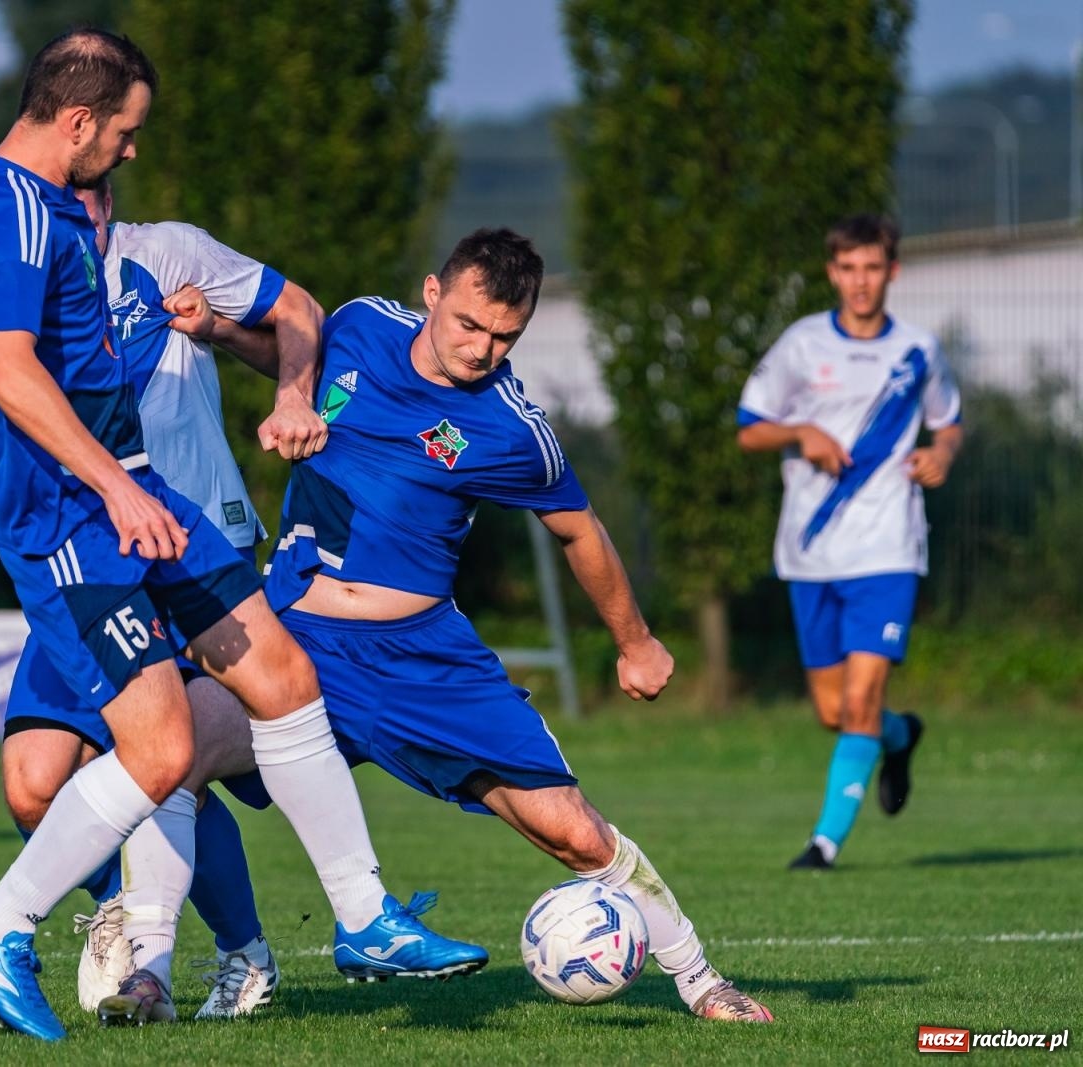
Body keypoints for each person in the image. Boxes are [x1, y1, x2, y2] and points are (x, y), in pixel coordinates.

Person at [0, 29, 482, 1042]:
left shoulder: (7, 199)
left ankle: (364, 919)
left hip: (141, 494)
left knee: (281, 674)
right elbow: (5, 371)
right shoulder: (7, 214)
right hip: (73, 520)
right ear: (77, 122)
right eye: (124, 133)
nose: (131, 151)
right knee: (163, 748)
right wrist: (104, 487)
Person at [120, 228, 776, 1023]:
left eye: (506, 335)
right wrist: (221, 331)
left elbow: (580, 530)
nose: (483, 348)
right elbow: (301, 368)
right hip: (296, 636)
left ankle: (702, 980)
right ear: (433, 293)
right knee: (170, 755)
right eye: (469, 324)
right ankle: (154, 972)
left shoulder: (510, 428)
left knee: (572, 832)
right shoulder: (362, 325)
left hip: (421, 662)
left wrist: (635, 641)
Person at [0, 180, 315, 1021]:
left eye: (94, 196)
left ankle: (229, 952)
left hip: (187, 550)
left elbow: (295, 309)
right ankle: (114, 910)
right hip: (86, 558)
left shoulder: (167, 254)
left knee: (165, 761)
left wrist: (273, 376)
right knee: (34, 782)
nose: (81, 210)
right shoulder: (27, 296)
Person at [737, 214, 961, 871]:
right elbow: (750, 428)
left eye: (873, 268)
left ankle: (824, 843)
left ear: (892, 271)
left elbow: (949, 423)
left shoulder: (919, 350)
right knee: (837, 711)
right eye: (848, 268)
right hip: (810, 551)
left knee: (860, 698)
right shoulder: (802, 345)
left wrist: (941, 454)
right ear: (833, 272)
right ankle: (902, 735)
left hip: (889, 547)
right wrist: (799, 432)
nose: (860, 281)